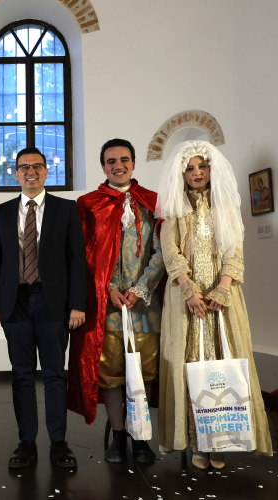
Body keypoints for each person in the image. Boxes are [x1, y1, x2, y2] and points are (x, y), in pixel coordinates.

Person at [155, 140, 272, 470]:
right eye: (190, 168)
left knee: (223, 366)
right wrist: (189, 289)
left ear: (211, 169)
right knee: (190, 366)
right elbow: (170, 251)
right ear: (182, 174)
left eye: (201, 167)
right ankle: (196, 441)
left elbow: (235, 251)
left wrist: (222, 288)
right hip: (187, 300)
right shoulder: (175, 209)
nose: (196, 173)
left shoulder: (225, 206)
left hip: (222, 298)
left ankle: (219, 440)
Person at [0, 147, 87, 469]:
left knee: (55, 374)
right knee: (22, 375)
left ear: (46, 171)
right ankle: (26, 442)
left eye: (37, 166)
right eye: (24, 167)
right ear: (15, 173)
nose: (31, 172)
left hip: (53, 303)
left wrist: (77, 304)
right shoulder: (2, 211)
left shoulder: (65, 208)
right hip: (14, 303)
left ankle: (59, 442)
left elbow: (77, 260)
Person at [68, 139, 165, 465]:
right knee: (109, 372)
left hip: (144, 304)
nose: (118, 165)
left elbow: (162, 251)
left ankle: (141, 436)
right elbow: (83, 253)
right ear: (103, 166)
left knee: (144, 371)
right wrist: (107, 287)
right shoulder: (88, 204)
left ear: (133, 163)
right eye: (111, 161)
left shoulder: (153, 202)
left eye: (124, 159)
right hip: (105, 303)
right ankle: (119, 434)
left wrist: (141, 288)